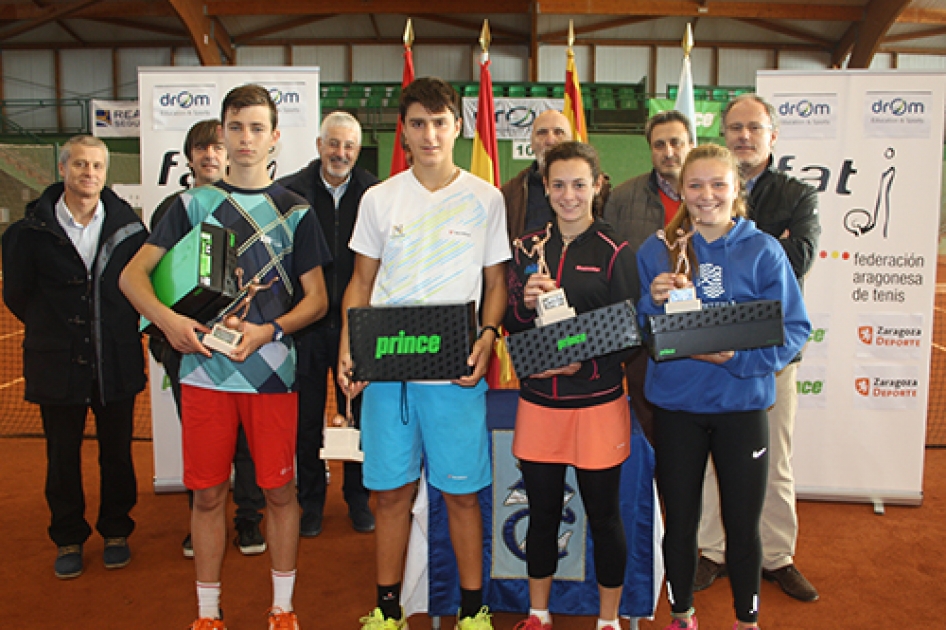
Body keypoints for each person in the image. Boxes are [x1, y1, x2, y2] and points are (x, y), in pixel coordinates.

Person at [120, 84, 331, 630]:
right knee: (209, 495)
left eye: (257, 128)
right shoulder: (191, 206)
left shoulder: (296, 210)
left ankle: (282, 610)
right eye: (235, 127)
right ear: (222, 133)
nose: (245, 139)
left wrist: (268, 331)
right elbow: (132, 277)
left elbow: (318, 300)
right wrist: (171, 322)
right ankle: (208, 615)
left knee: (279, 492)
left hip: (272, 377)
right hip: (205, 375)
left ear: (275, 137)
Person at [339, 77, 509, 630]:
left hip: (456, 373)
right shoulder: (379, 199)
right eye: (418, 123)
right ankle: (387, 611)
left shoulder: (487, 198)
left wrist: (487, 336)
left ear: (458, 127)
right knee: (388, 496)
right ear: (404, 132)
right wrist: (349, 347)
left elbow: (496, 282)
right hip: (389, 372)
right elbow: (360, 283)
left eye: (440, 122)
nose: (430, 134)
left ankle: (473, 610)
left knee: (461, 497)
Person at [636, 144, 811, 630]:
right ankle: (681, 615)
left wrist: (740, 359)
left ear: (737, 191)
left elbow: (794, 328)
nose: (706, 194)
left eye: (718, 184)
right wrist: (652, 304)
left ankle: (745, 621)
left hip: (742, 406)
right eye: (695, 185)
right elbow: (644, 333)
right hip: (677, 406)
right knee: (682, 522)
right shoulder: (657, 250)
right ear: (679, 190)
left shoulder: (764, 250)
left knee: (742, 524)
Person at [504, 141, 637, 630]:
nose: (568, 195)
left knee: (604, 518)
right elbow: (512, 324)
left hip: (597, 405)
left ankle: (608, 620)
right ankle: (538, 614)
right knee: (542, 514)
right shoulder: (526, 248)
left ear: (597, 186)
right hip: (539, 404)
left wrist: (582, 367)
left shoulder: (615, 251)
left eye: (579, 184)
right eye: (558, 184)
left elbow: (629, 338)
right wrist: (523, 303)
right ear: (545, 187)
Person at [2, 135, 148, 579]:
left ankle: (116, 531)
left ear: (107, 174)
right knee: (61, 457)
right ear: (63, 169)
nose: (90, 174)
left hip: (115, 361)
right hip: (56, 364)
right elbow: (18, 295)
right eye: (81, 165)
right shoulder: (26, 233)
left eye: (98, 167)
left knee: (117, 454)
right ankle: (68, 536)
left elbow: (137, 288)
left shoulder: (131, 230)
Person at [695, 94, 822, 603]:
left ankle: (778, 556)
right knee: (706, 461)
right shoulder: (705, 190)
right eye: (734, 128)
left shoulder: (797, 193)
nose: (743, 136)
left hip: (772, 359)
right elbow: (706, 262)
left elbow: (799, 256)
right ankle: (711, 550)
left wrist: (752, 249)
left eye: (754, 127)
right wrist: (764, 249)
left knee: (775, 459)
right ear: (723, 134)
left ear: (773, 135)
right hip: (707, 353)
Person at [150, 118, 267, 558]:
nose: (211, 155)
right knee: (202, 444)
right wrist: (168, 336)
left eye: (218, 147)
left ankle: (249, 520)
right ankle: (201, 521)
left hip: (240, 343)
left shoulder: (252, 206)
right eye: (202, 148)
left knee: (246, 441)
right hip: (189, 347)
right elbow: (155, 278)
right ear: (190, 157)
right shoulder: (172, 209)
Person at [279, 111, 380, 537]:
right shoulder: (288, 192)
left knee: (357, 416)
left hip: (356, 327)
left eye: (349, 147)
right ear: (319, 145)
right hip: (305, 326)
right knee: (305, 420)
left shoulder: (375, 193)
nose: (341, 153)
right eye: (334, 144)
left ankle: (358, 501)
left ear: (357, 151)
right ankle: (311, 503)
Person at [603, 110, 695, 443]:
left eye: (676, 142)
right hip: (644, 334)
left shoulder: (710, 196)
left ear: (690, 144)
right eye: (659, 145)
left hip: (701, 331)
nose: (668, 151)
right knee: (650, 425)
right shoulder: (623, 198)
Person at [501, 109, 612, 244]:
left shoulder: (605, 193)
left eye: (558, 132)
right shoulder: (510, 193)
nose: (550, 140)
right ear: (531, 143)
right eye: (542, 133)